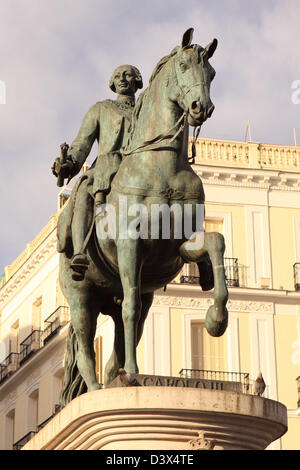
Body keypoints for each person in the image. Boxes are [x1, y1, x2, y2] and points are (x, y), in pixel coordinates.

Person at [52, 65, 143, 278]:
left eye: (127, 74)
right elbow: (82, 143)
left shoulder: (147, 110)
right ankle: (80, 252)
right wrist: (68, 163)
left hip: (140, 167)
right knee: (84, 190)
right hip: (107, 166)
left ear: (136, 80)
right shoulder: (101, 109)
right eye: (117, 76)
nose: (122, 79)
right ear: (112, 83)